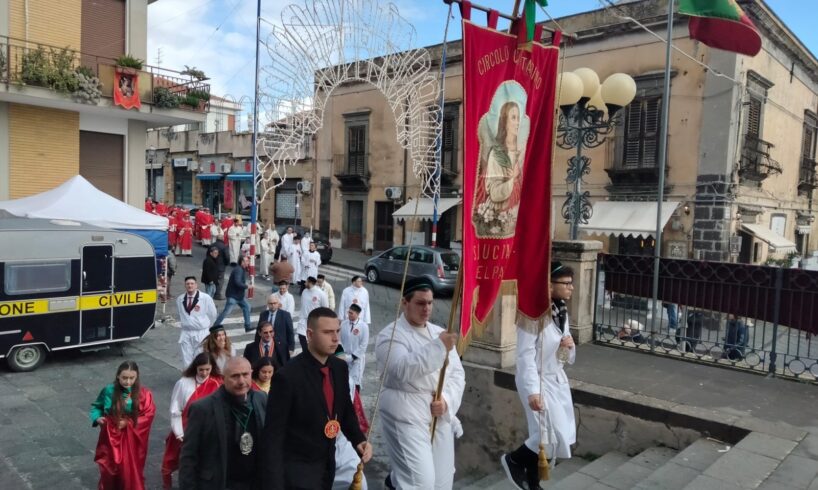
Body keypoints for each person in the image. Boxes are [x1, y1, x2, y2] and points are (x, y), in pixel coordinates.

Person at [261, 307, 372, 489]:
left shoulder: (339, 368)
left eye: (337, 331)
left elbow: (344, 411)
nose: (336, 338)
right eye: (328, 332)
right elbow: (273, 436)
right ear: (310, 335)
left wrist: (358, 439)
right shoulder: (287, 376)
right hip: (298, 471)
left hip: (328, 464)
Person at [375, 277, 465, 490]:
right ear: (404, 303)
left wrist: (446, 400)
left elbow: (457, 374)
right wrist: (438, 348)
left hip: (438, 413)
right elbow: (400, 369)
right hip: (406, 415)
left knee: (443, 481)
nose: (427, 309)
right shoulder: (390, 335)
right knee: (420, 482)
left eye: (430, 303)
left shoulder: (437, 332)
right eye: (420, 303)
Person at [502, 262, 577, 490]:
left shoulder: (561, 312)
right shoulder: (532, 315)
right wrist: (532, 391)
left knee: (550, 436)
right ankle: (513, 460)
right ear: (549, 285)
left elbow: (567, 358)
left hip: (556, 380)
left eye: (571, 283)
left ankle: (533, 483)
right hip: (536, 380)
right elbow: (524, 356)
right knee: (548, 435)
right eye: (566, 283)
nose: (571, 288)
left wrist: (569, 346)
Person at [180, 357, 267, 490]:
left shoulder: (261, 399)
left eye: (245, 375)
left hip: (255, 482)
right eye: (235, 376)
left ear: (251, 373)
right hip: (221, 483)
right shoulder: (203, 408)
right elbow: (189, 457)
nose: (241, 381)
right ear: (223, 377)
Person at [90, 360, 156, 490]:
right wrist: (97, 418)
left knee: (129, 467)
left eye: (132, 378)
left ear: (137, 377)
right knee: (110, 466)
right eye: (124, 378)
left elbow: (149, 414)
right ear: (118, 376)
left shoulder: (144, 394)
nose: (128, 382)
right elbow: (97, 406)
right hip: (110, 434)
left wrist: (128, 422)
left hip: (132, 436)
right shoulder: (108, 390)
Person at [161, 353, 223, 489]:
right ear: (195, 367)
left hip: (208, 430)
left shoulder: (217, 383)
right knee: (179, 460)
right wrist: (179, 434)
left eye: (208, 369)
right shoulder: (183, 383)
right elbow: (175, 410)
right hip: (185, 429)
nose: (204, 373)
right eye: (201, 369)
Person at [177, 276, 218, 367]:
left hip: (201, 332)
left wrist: (207, 326)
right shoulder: (180, 299)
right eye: (188, 284)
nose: (190, 286)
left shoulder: (205, 298)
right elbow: (181, 314)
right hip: (186, 332)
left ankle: (200, 378)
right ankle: (188, 377)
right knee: (186, 358)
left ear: (196, 285)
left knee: (201, 357)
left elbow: (213, 314)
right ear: (185, 285)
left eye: (192, 284)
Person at [215, 255, 252, 332]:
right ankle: (215, 326)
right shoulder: (238, 270)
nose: (247, 263)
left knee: (247, 307)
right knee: (226, 312)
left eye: (248, 261)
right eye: (246, 261)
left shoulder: (241, 269)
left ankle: (247, 326)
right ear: (241, 262)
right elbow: (237, 282)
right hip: (233, 296)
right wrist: (246, 286)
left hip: (238, 296)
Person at [257, 294, 296, 363]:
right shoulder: (263, 314)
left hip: (281, 346)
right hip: (266, 345)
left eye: (275, 303)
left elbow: (290, 332)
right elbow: (259, 330)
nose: (273, 305)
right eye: (271, 303)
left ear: (278, 304)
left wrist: (291, 348)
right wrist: (256, 344)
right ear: (268, 304)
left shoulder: (285, 315)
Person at [340, 303, 368, 392]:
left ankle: (355, 404)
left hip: (357, 360)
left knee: (355, 383)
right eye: (349, 312)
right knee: (344, 381)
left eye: (351, 313)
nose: (349, 314)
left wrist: (353, 357)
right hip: (344, 357)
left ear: (357, 314)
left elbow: (363, 344)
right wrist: (342, 354)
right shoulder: (343, 324)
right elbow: (339, 340)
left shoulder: (363, 326)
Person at [299, 276, 329, 353]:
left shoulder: (321, 294)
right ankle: (305, 353)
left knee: (312, 340)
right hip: (303, 319)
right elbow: (303, 304)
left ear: (311, 283)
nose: (305, 283)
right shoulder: (304, 291)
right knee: (301, 336)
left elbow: (325, 308)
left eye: (306, 282)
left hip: (314, 321)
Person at [211, 235, 230, 300]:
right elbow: (227, 256)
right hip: (221, 266)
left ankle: (211, 294)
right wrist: (227, 263)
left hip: (212, 265)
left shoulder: (212, 245)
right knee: (220, 280)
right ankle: (217, 294)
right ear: (222, 239)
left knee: (212, 280)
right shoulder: (224, 246)